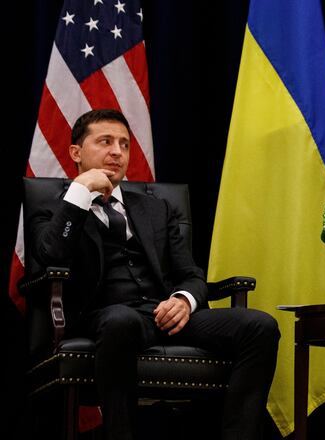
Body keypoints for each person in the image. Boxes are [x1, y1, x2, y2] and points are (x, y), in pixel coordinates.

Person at [29, 109, 280, 439]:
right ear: (76, 152)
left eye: (124, 144)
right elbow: (51, 254)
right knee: (121, 320)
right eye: (105, 141)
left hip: (166, 315)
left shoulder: (155, 208)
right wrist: (80, 190)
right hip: (104, 317)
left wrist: (184, 299)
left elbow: (190, 273)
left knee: (260, 326)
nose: (117, 152)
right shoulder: (56, 208)